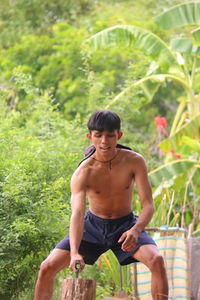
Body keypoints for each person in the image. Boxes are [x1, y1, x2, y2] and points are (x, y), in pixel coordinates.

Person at [34, 110, 168, 300]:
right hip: (91, 227)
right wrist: (74, 253)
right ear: (90, 137)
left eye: (109, 135)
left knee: (157, 260)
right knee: (46, 267)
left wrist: (136, 230)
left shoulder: (134, 161)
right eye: (98, 136)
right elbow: (78, 214)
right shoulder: (83, 172)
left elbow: (148, 205)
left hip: (126, 226)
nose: (104, 141)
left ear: (118, 135)